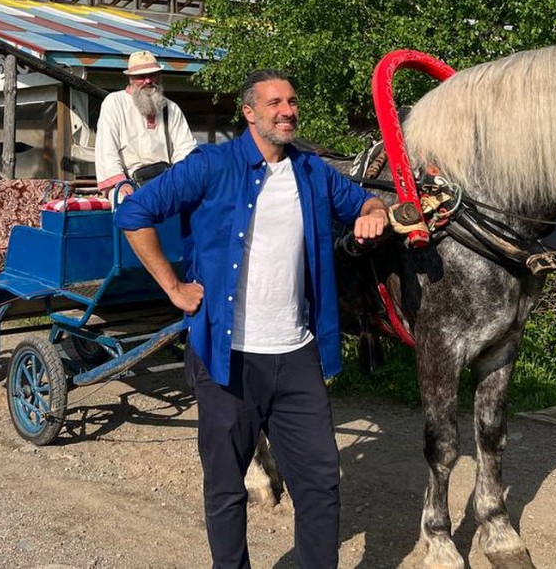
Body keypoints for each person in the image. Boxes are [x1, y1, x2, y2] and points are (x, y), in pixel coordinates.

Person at [115, 69, 388, 568]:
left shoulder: (312, 170)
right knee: (225, 488)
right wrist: (173, 287)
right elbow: (134, 213)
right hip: (227, 357)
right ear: (250, 113)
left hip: (297, 355)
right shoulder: (210, 166)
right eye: (275, 103)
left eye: (292, 101)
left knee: (321, 482)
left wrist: (373, 211)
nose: (288, 110)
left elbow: (365, 201)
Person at [94, 50, 197, 194]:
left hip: (166, 181)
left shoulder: (170, 107)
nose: (148, 81)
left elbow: (186, 148)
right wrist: (120, 184)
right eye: (141, 76)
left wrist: (178, 179)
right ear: (130, 78)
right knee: (129, 205)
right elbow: (106, 149)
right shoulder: (115, 103)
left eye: (152, 75)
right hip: (128, 182)